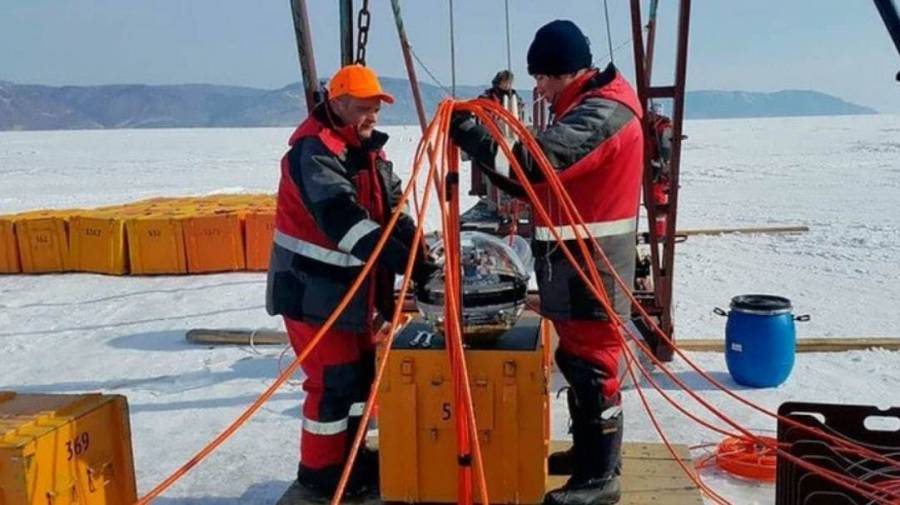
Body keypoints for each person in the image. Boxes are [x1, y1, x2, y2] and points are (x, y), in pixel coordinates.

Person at [449, 20, 644, 505]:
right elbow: (533, 178)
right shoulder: (585, 105)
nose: (536, 87)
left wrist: (472, 134)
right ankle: (589, 455)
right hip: (572, 264)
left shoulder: (601, 113)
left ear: (563, 72)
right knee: (576, 360)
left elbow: (533, 166)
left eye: (541, 77)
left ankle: (600, 478)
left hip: (591, 268)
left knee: (594, 365)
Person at [267, 64, 435, 500]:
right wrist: (406, 260)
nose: (371, 117)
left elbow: (394, 209)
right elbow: (345, 223)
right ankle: (322, 475)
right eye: (363, 108)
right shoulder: (313, 154)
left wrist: (419, 249)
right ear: (338, 104)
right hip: (313, 294)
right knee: (331, 384)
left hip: (352, 296)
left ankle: (354, 461)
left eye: (376, 109)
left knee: (359, 382)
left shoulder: (368, 152)